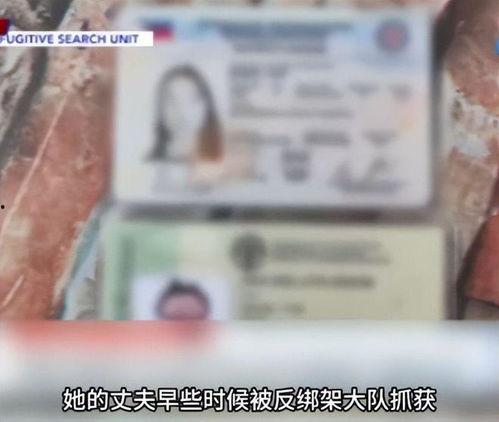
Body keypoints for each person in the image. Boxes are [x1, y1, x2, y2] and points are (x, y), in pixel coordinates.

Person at [147, 65, 222, 163]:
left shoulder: (222, 162)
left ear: (208, 107)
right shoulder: (148, 165)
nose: (182, 112)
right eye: (172, 101)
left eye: (193, 100)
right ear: (160, 108)